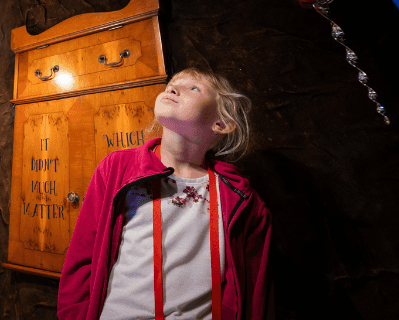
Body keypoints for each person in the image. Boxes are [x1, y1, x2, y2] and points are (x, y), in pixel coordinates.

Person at [58, 68, 272, 320]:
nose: (172, 89)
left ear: (221, 123)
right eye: (171, 85)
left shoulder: (240, 197)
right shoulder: (117, 167)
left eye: (193, 88)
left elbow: (256, 290)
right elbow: (82, 255)